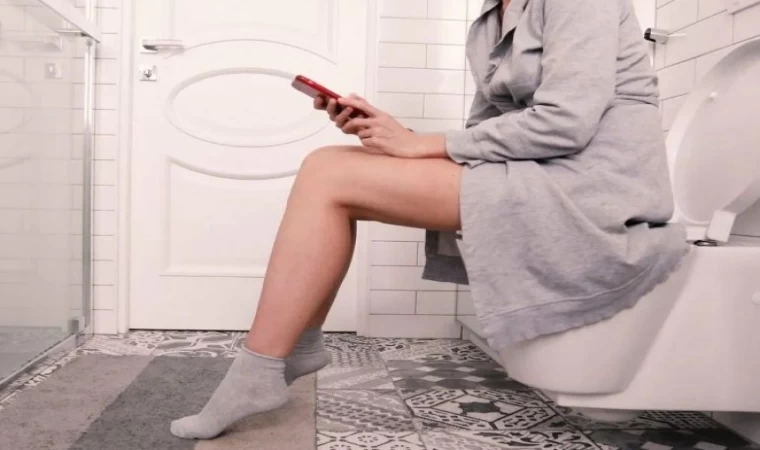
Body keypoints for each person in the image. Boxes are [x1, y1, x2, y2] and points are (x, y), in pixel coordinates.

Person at [170, 0, 688, 439]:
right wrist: (397, 137)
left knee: (327, 176)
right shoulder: (490, 18)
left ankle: (261, 369)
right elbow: (484, 132)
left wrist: (418, 146)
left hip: (595, 185)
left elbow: (567, 123)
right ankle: (294, 350)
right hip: (543, 171)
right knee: (327, 166)